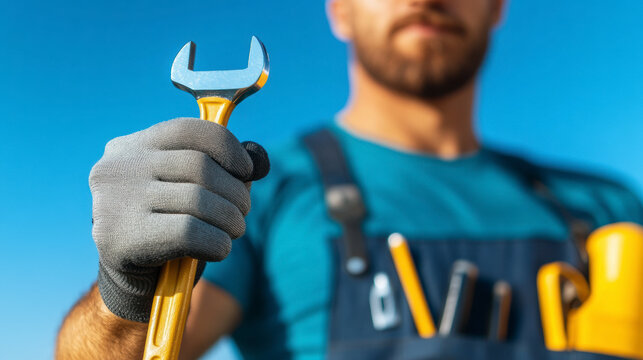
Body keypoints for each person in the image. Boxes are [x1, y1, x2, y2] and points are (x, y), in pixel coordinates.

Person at [56, 0, 643, 359]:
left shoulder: (608, 207)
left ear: (497, 6)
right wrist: (124, 295)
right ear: (339, 9)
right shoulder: (247, 189)